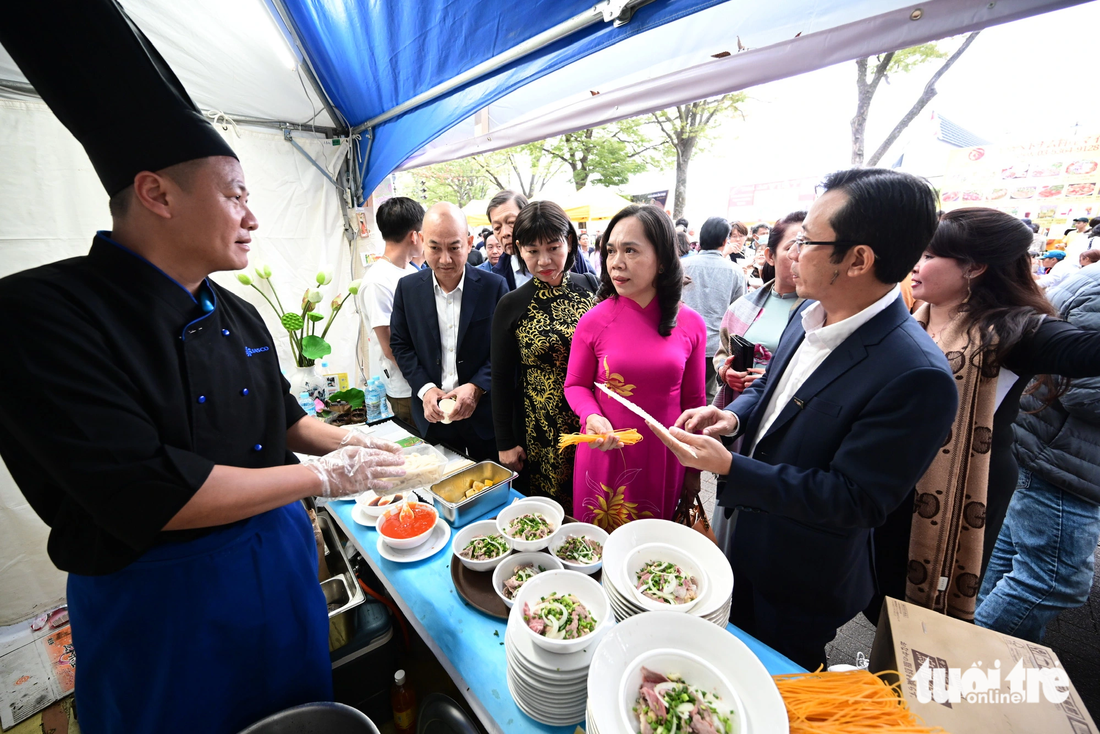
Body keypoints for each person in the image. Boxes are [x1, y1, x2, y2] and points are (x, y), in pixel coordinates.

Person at [0, 4, 405, 732]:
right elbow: (151, 494)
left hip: (277, 576)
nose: (252, 216)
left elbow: (284, 417)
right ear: (156, 193)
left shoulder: (236, 311)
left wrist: (353, 444)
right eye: (235, 194)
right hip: (162, 606)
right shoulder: (42, 315)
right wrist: (321, 478)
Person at [663, 168, 958, 670]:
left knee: (773, 683)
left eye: (807, 240)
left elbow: (853, 499)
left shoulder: (915, 374)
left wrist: (733, 469)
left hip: (799, 574)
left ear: (859, 259)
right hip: (743, 538)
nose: (792, 253)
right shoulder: (812, 317)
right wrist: (730, 418)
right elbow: (771, 391)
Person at [903, 208, 1100, 620]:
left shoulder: (1015, 331)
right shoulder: (906, 320)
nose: (915, 265)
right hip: (897, 474)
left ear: (974, 267)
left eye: (930, 255)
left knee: (929, 604)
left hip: (967, 482)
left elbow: (1084, 350)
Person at [975, 264, 1100, 642]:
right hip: (1061, 458)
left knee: (1009, 562)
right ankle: (956, 667)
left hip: (1054, 452)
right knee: (1054, 579)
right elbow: (1082, 391)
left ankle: (964, 664)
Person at [564, 205, 707, 529]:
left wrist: (694, 470)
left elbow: (695, 404)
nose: (616, 262)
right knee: (594, 551)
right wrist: (592, 416)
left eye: (630, 250)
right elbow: (575, 386)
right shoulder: (594, 321)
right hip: (604, 453)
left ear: (662, 260)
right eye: (611, 250)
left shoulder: (691, 324)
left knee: (649, 557)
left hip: (664, 457)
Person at [491, 202, 599, 514]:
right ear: (519, 250)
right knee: (552, 511)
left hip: (592, 417)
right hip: (542, 426)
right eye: (532, 250)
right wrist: (505, 442)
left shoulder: (592, 288)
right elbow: (501, 380)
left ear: (570, 242)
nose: (544, 261)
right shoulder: (511, 305)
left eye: (554, 247)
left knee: (595, 499)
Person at [390, 203, 508, 461]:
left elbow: (506, 348)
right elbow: (400, 345)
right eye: (434, 247)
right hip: (432, 418)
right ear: (421, 241)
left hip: (484, 418)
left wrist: (477, 387)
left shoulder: (494, 287)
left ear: (468, 242)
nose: (445, 259)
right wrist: (425, 388)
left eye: (454, 247)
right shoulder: (407, 289)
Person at [712, 211, 806, 412]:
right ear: (770, 256)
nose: (800, 256)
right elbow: (721, 354)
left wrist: (775, 379)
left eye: (808, 247)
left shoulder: (824, 312)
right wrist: (725, 372)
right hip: (738, 409)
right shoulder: (742, 307)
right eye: (792, 247)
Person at [361, 197, 424, 425]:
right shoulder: (377, 281)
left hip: (424, 385)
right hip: (406, 388)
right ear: (414, 236)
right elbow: (390, 348)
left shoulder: (409, 271)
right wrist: (423, 382)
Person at [681, 217, 746, 404]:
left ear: (700, 239)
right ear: (725, 241)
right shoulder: (735, 271)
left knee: (678, 388)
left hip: (682, 339)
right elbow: (738, 311)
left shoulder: (682, 266)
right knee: (706, 394)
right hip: (714, 345)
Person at [489, 190, 591, 290]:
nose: (505, 233)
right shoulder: (496, 278)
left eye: (511, 222)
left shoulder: (572, 255)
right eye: (497, 228)